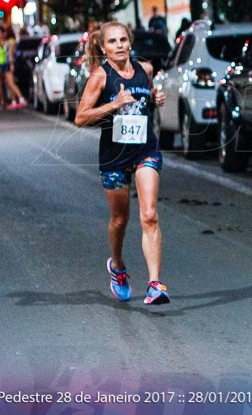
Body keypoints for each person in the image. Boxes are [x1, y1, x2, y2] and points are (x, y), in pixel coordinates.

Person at [75, 22, 169, 305]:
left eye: (123, 40)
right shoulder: (100, 77)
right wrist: (113, 105)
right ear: (103, 48)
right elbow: (81, 117)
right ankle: (117, 267)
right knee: (120, 220)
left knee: (149, 214)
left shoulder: (146, 69)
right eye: (112, 41)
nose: (118, 45)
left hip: (144, 151)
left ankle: (155, 285)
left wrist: (154, 97)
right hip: (114, 157)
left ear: (130, 43)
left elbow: (144, 97)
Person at [0, 24, 27, 109]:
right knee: (8, 83)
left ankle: (21, 99)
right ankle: (14, 101)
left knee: (11, 83)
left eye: (3, 32)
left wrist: (11, 64)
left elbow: (10, 54)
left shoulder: (10, 41)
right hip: (2, 63)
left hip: (8, 64)